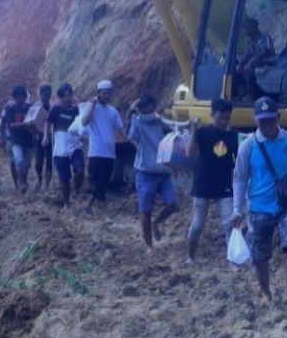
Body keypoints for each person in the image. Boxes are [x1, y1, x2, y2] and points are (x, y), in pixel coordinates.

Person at [231, 96, 287, 303]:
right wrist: (237, 210)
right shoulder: (248, 145)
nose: (266, 125)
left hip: (286, 204)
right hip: (258, 206)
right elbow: (240, 179)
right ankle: (266, 292)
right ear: (255, 120)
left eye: (270, 119)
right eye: (262, 121)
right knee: (259, 255)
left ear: (277, 117)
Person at [127, 94, 184, 254]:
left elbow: (176, 132)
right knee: (145, 211)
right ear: (142, 109)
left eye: (153, 107)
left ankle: (156, 222)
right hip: (146, 173)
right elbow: (131, 136)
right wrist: (132, 113)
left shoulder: (161, 122)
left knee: (172, 204)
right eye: (147, 108)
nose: (151, 110)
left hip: (164, 172)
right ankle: (149, 245)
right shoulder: (138, 123)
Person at [185, 98, 237, 264]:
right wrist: (193, 131)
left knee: (229, 224)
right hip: (203, 184)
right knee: (198, 225)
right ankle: (190, 256)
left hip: (225, 185)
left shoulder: (233, 136)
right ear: (212, 115)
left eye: (226, 118)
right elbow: (189, 153)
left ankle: (232, 261)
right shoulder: (202, 133)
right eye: (219, 117)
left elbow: (239, 159)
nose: (223, 121)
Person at [84, 79, 126, 212]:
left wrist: (132, 140)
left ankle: (89, 205)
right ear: (98, 93)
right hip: (96, 151)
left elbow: (121, 128)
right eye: (104, 94)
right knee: (100, 181)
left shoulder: (113, 111)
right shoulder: (91, 108)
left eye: (109, 94)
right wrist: (92, 105)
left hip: (110, 152)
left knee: (104, 182)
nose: (107, 96)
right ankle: (103, 211)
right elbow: (85, 122)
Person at [46, 83, 84, 208]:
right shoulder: (56, 110)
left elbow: (85, 119)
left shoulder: (76, 110)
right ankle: (66, 203)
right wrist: (45, 137)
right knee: (64, 178)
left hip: (75, 145)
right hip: (61, 149)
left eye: (70, 95)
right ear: (60, 98)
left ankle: (77, 188)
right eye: (65, 96)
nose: (68, 98)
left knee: (80, 169)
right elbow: (48, 124)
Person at [0, 85, 34, 195]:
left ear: (25, 96)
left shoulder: (31, 108)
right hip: (15, 140)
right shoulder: (10, 109)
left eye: (22, 96)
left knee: (27, 164)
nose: (20, 99)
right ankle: (21, 183)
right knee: (18, 160)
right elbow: (9, 125)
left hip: (29, 140)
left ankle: (22, 181)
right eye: (17, 97)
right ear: (14, 98)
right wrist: (3, 138)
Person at [235, 16, 275, 100]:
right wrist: (240, 64)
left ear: (254, 27)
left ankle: (250, 94)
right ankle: (242, 91)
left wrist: (249, 63)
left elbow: (263, 52)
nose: (245, 30)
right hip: (256, 63)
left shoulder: (264, 37)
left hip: (267, 62)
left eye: (246, 27)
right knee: (235, 67)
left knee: (248, 69)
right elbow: (246, 54)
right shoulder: (250, 41)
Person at [31, 84, 54, 192]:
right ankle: (39, 179)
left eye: (48, 95)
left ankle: (47, 185)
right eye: (44, 95)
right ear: (40, 95)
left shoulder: (53, 106)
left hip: (51, 137)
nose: (46, 97)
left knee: (49, 161)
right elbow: (31, 122)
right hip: (38, 137)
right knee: (38, 162)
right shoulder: (35, 106)